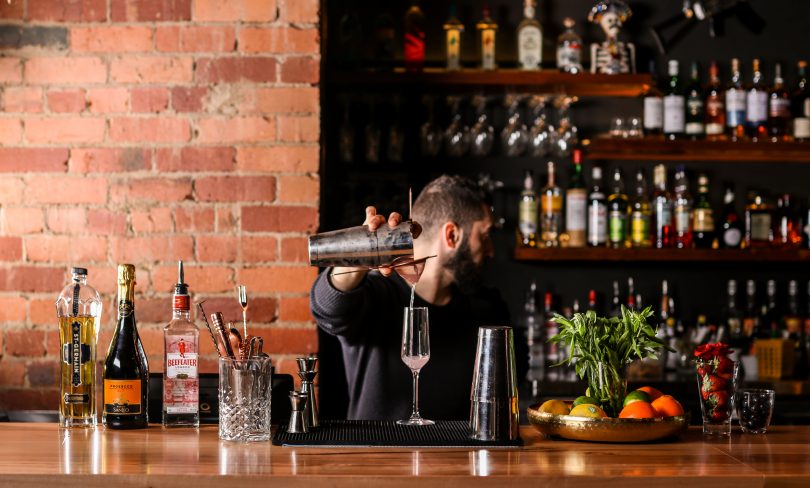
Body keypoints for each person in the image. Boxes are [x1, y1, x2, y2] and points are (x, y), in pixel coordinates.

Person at [311, 175, 523, 421]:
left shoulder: (487, 308)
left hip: (462, 458)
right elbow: (327, 305)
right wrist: (362, 251)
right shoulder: (376, 295)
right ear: (452, 235)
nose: (491, 251)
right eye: (485, 236)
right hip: (375, 456)